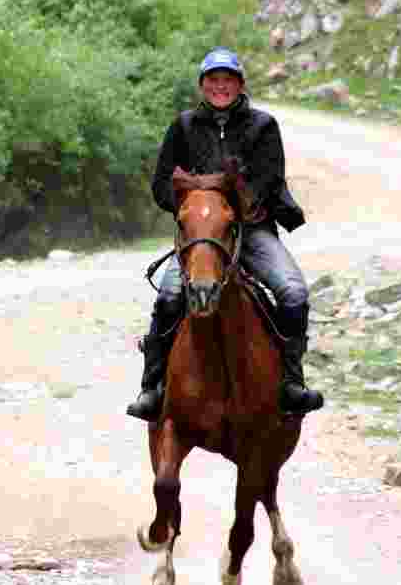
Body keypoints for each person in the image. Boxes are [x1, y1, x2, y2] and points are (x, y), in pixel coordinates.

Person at [126, 47, 324, 421]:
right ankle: (151, 389)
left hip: (252, 229)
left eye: (228, 80)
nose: (221, 86)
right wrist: (192, 205)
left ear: (240, 85)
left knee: (294, 292)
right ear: (202, 85)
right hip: (201, 234)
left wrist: (204, 185)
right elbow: (162, 183)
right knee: (169, 296)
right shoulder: (183, 126)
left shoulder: (263, 126)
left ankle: (291, 383)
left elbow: (268, 181)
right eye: (213, 80)